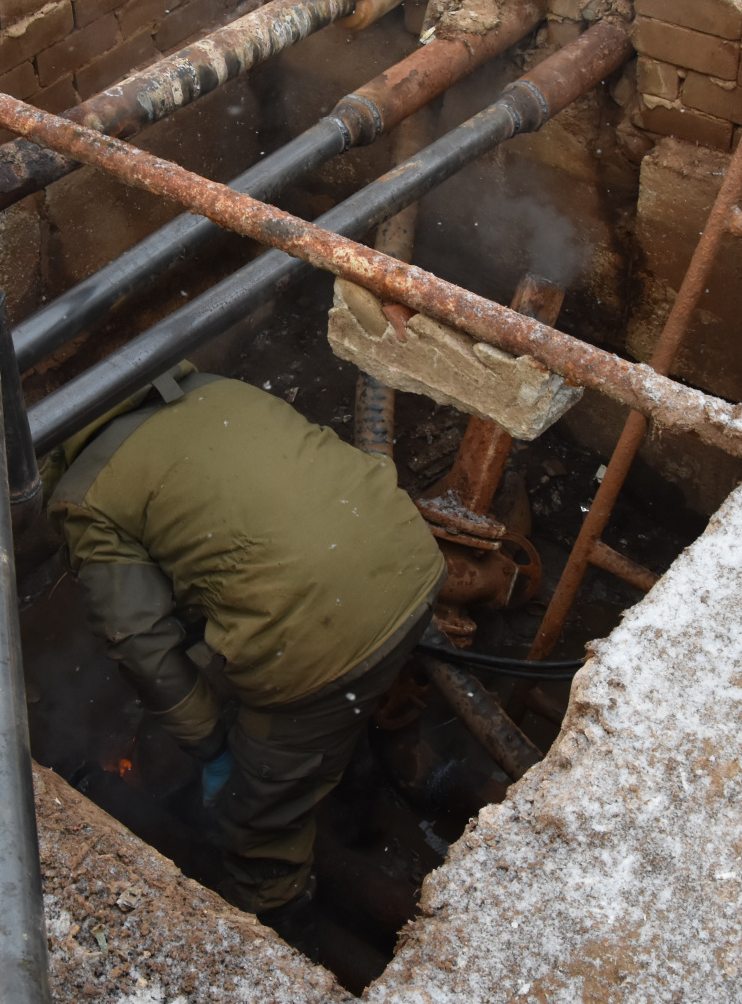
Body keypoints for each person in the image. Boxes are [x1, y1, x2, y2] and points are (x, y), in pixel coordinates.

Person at [45, 368, 443, 946]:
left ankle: (281, 931)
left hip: (317, 648)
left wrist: (209, 740)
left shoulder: (85, 495)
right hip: (411, 561)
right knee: (334, 708)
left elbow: (135, 636)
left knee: (256, 820)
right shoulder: (218, 391)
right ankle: (354, 784)